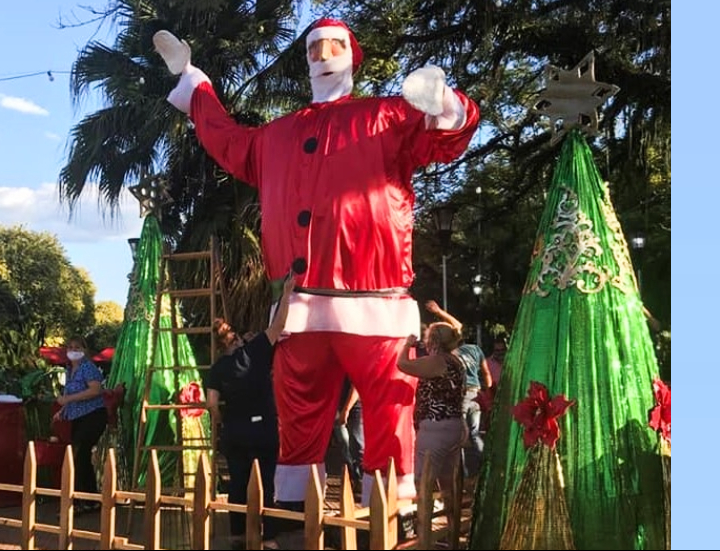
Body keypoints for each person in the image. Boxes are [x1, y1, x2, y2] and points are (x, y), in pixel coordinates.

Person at [152, 17, 481, 504]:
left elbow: (449, 137)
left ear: (351, 55)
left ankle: (388, 512)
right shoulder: (276, 135)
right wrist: (195, 83)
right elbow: (226, 139)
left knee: (389, 413)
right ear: (305, 58)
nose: (323, 53)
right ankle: (292, 510)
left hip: (375, 300)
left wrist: (446, 103)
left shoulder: (388, 115)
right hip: (301, 307)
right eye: (314, 47)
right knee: (298, 419)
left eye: (334, 44)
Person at [206, 273, 295, 549]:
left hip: (235, 429)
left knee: (238, 483)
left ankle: (237, 535)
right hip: (263, 427)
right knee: (265, 481)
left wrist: (221, 421)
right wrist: (287, 293)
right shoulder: (255, 351)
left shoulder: (217, 369)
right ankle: (266, 537)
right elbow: (278, 324)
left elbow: (211, 403)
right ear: (237, 340)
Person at [396, 323, 466, 532]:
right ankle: (454, 532)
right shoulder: (456, 361)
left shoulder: (437, 361)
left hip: (436, 429)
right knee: (447, 485)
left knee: (423, 483)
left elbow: (403, 365)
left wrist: (407, 344)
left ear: (433, 341)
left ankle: (425, 536)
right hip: (453, 426)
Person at [424, 301, 491, 476]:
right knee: (474, 434)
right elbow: (486, 373)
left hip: (460, 395)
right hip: (476, 392)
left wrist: (438, 311)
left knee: (458, 436)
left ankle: (461, 474)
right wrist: (488, 392)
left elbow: (457, 326)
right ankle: (485, 468)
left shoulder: (449, 355)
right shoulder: (475, 350)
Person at [53, 336, 107, 513]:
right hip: (78, 416)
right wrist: (62, 411)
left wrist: (68, 399)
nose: (73, 350)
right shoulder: (69, 370)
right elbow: (72, 396)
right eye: (70, 347)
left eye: (77, 347)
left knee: (78, 454)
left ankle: (79, 501)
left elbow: (95, 390)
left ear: (84, 350)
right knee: (81, 457)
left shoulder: (87, 367)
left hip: (93, 415)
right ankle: (90, 499)